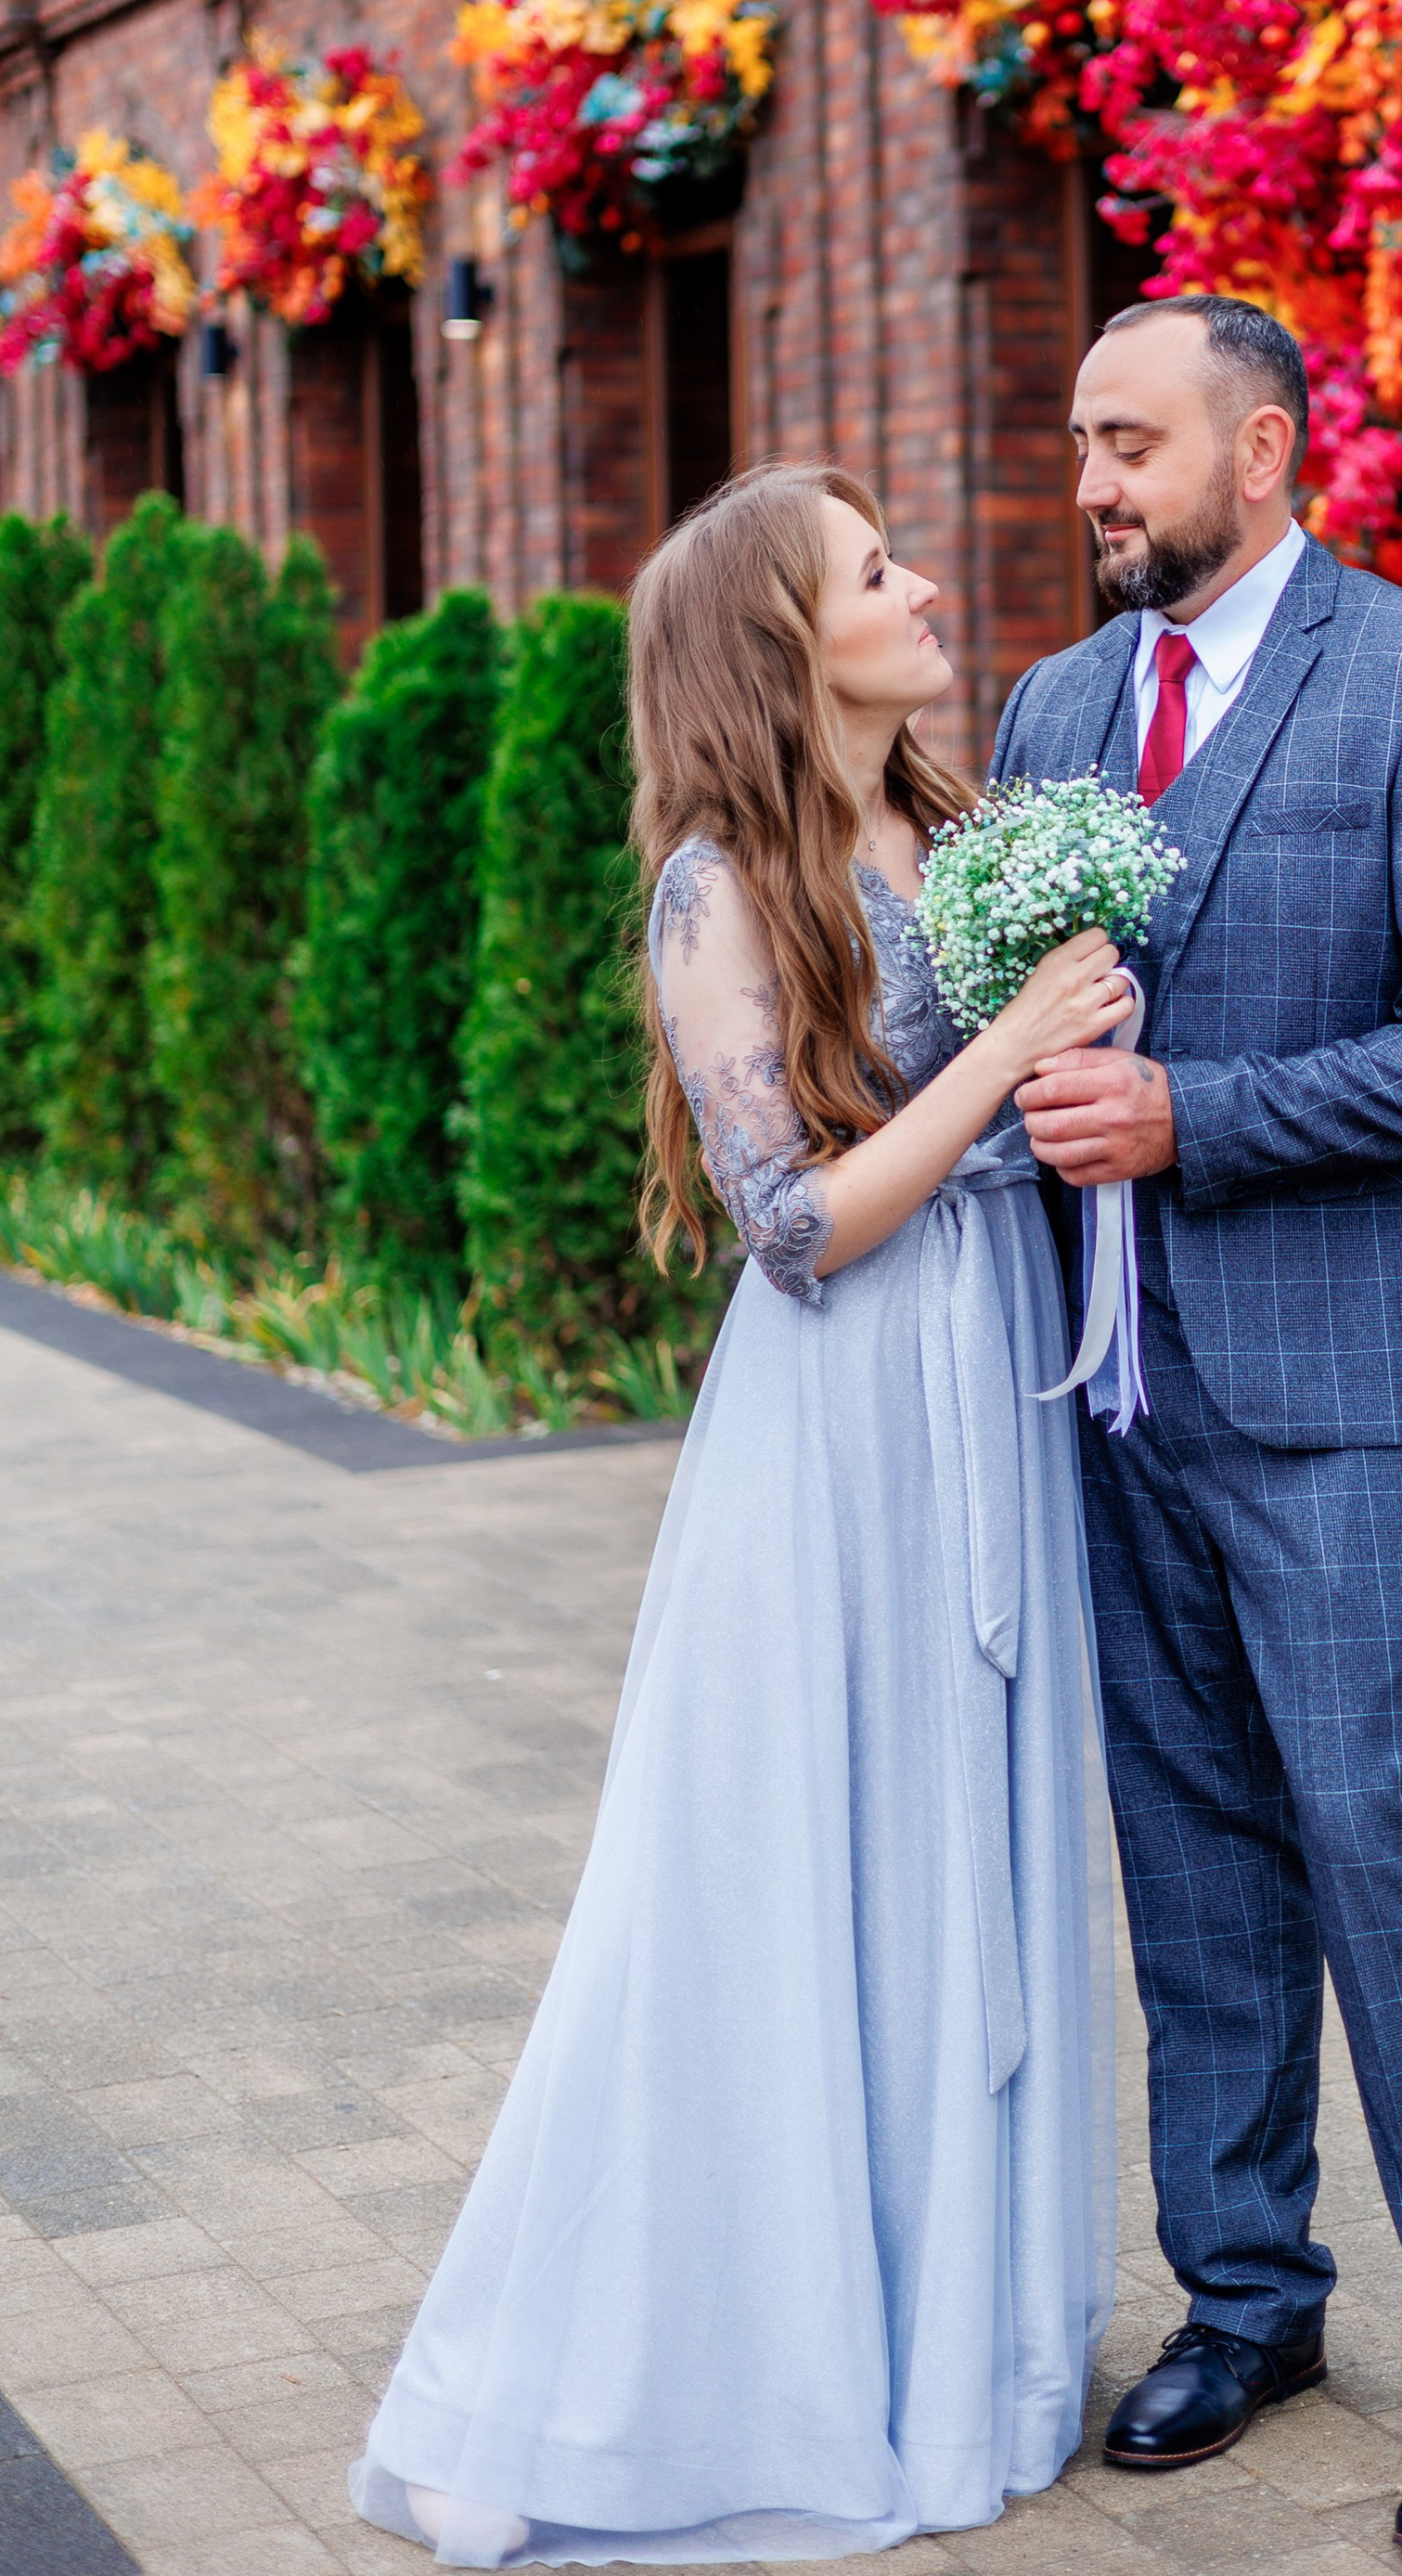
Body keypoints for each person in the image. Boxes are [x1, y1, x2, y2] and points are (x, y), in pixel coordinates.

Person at [350, 464, 1127, 2570]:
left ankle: (949, 2344)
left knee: (961, 1849)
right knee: (777, 1869)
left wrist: (1086, 1047)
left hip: (991, 1378)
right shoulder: (717, 886)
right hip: (844, 1419)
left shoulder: (955, 829)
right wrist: (1008, 1065)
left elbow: (1011, 1122)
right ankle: (627, 2377)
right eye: (877, 572)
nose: (927, 582)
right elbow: (799, 1229)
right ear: (786, 643)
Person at [990, 295, 1402, 2557]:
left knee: (1371, 1838)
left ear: (1262, 451)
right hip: (1110, 1386)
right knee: (1188, 1858)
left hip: (1341, 1385)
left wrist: (1194, 1115)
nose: (1094, 484)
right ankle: (1244, 2299)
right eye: (1078, 443)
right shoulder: (1057, 705)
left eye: (1130, 444)